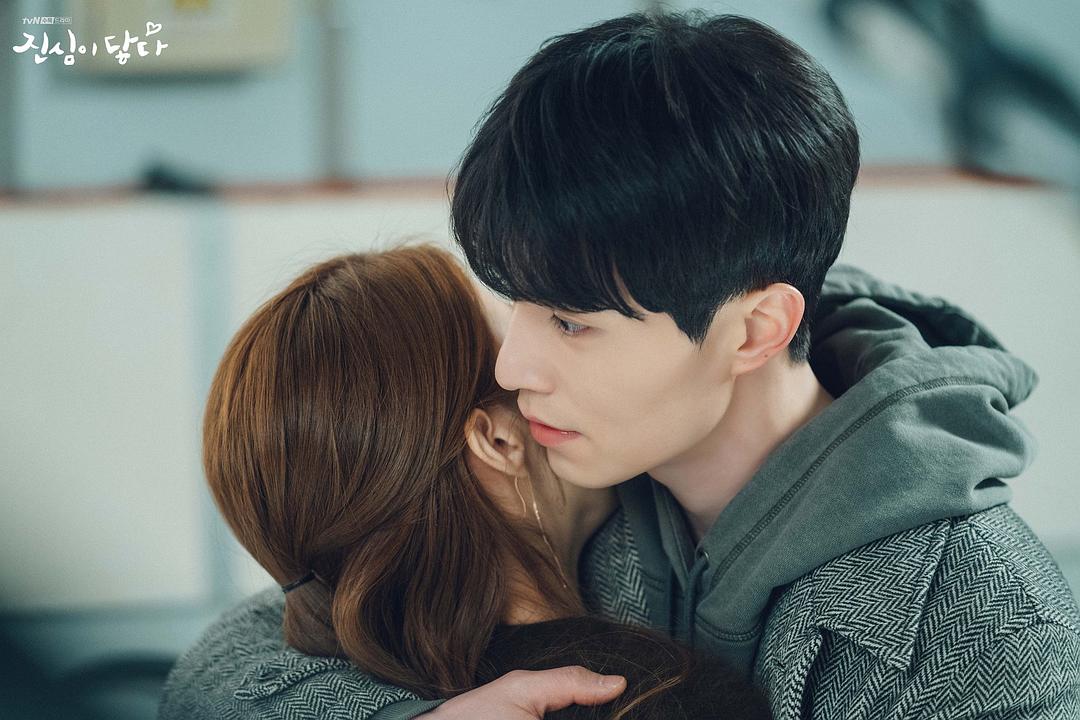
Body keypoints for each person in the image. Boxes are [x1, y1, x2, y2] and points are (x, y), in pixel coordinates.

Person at [162, 11, 1080, 720]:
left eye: (570, 323)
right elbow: (225, 665)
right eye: (516, 304)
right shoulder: (573, 487)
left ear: (755, 331)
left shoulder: (985, 623)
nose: (510, 366)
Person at [161, 245, 772, 719]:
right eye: (514, 332)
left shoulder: (351, 628)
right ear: (498, 440)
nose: (531, 364)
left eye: (561, 323)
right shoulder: (660, 700)